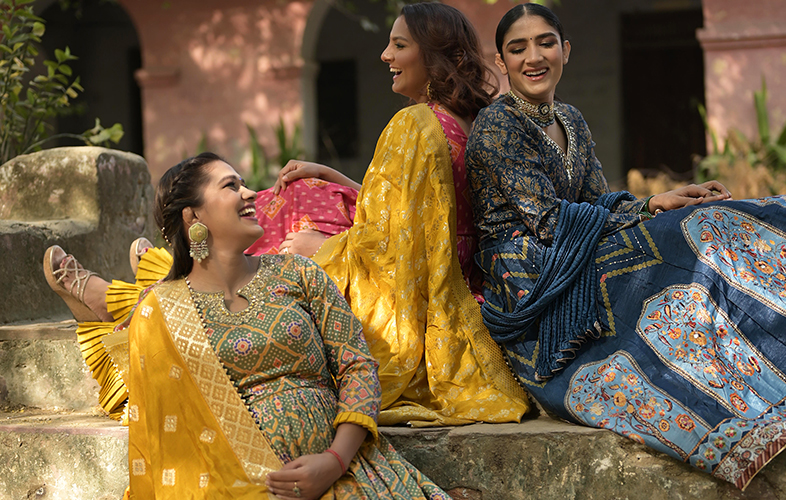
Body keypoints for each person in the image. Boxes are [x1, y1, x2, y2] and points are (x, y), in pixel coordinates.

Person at [44, 2, 529, 427]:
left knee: (267, 268)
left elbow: (404, 241)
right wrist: (333, 177)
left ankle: (137, 300)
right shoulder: (469, 121)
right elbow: (425, 213)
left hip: (407, 291)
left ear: (434, 53)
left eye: (398, 45)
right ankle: (152, 283)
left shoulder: (414, 124)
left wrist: (327, 249)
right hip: (454, 278)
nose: (385, 55)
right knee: (305, 195)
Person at [466, 2, 786, 490]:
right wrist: (649, 208)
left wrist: (655, 205)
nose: (534, 56)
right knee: (686, 239)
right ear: (500, 62)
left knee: (710, 220)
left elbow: (597, 199)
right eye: (518, 48)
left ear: (565, 51)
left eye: (545, 42)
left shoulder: (570, 119)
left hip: (576, 242)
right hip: (531, 268)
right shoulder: (497, 125)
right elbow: (547, 219)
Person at [127, 152, 453, 498]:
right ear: (193, 215)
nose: (251, 193)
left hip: (350, 474)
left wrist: (334, 460)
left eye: (244, 184)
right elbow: (163, 433)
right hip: (232, 486)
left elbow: (357, 366)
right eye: (231, 186)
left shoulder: (298, 272)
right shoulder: (160, 311)